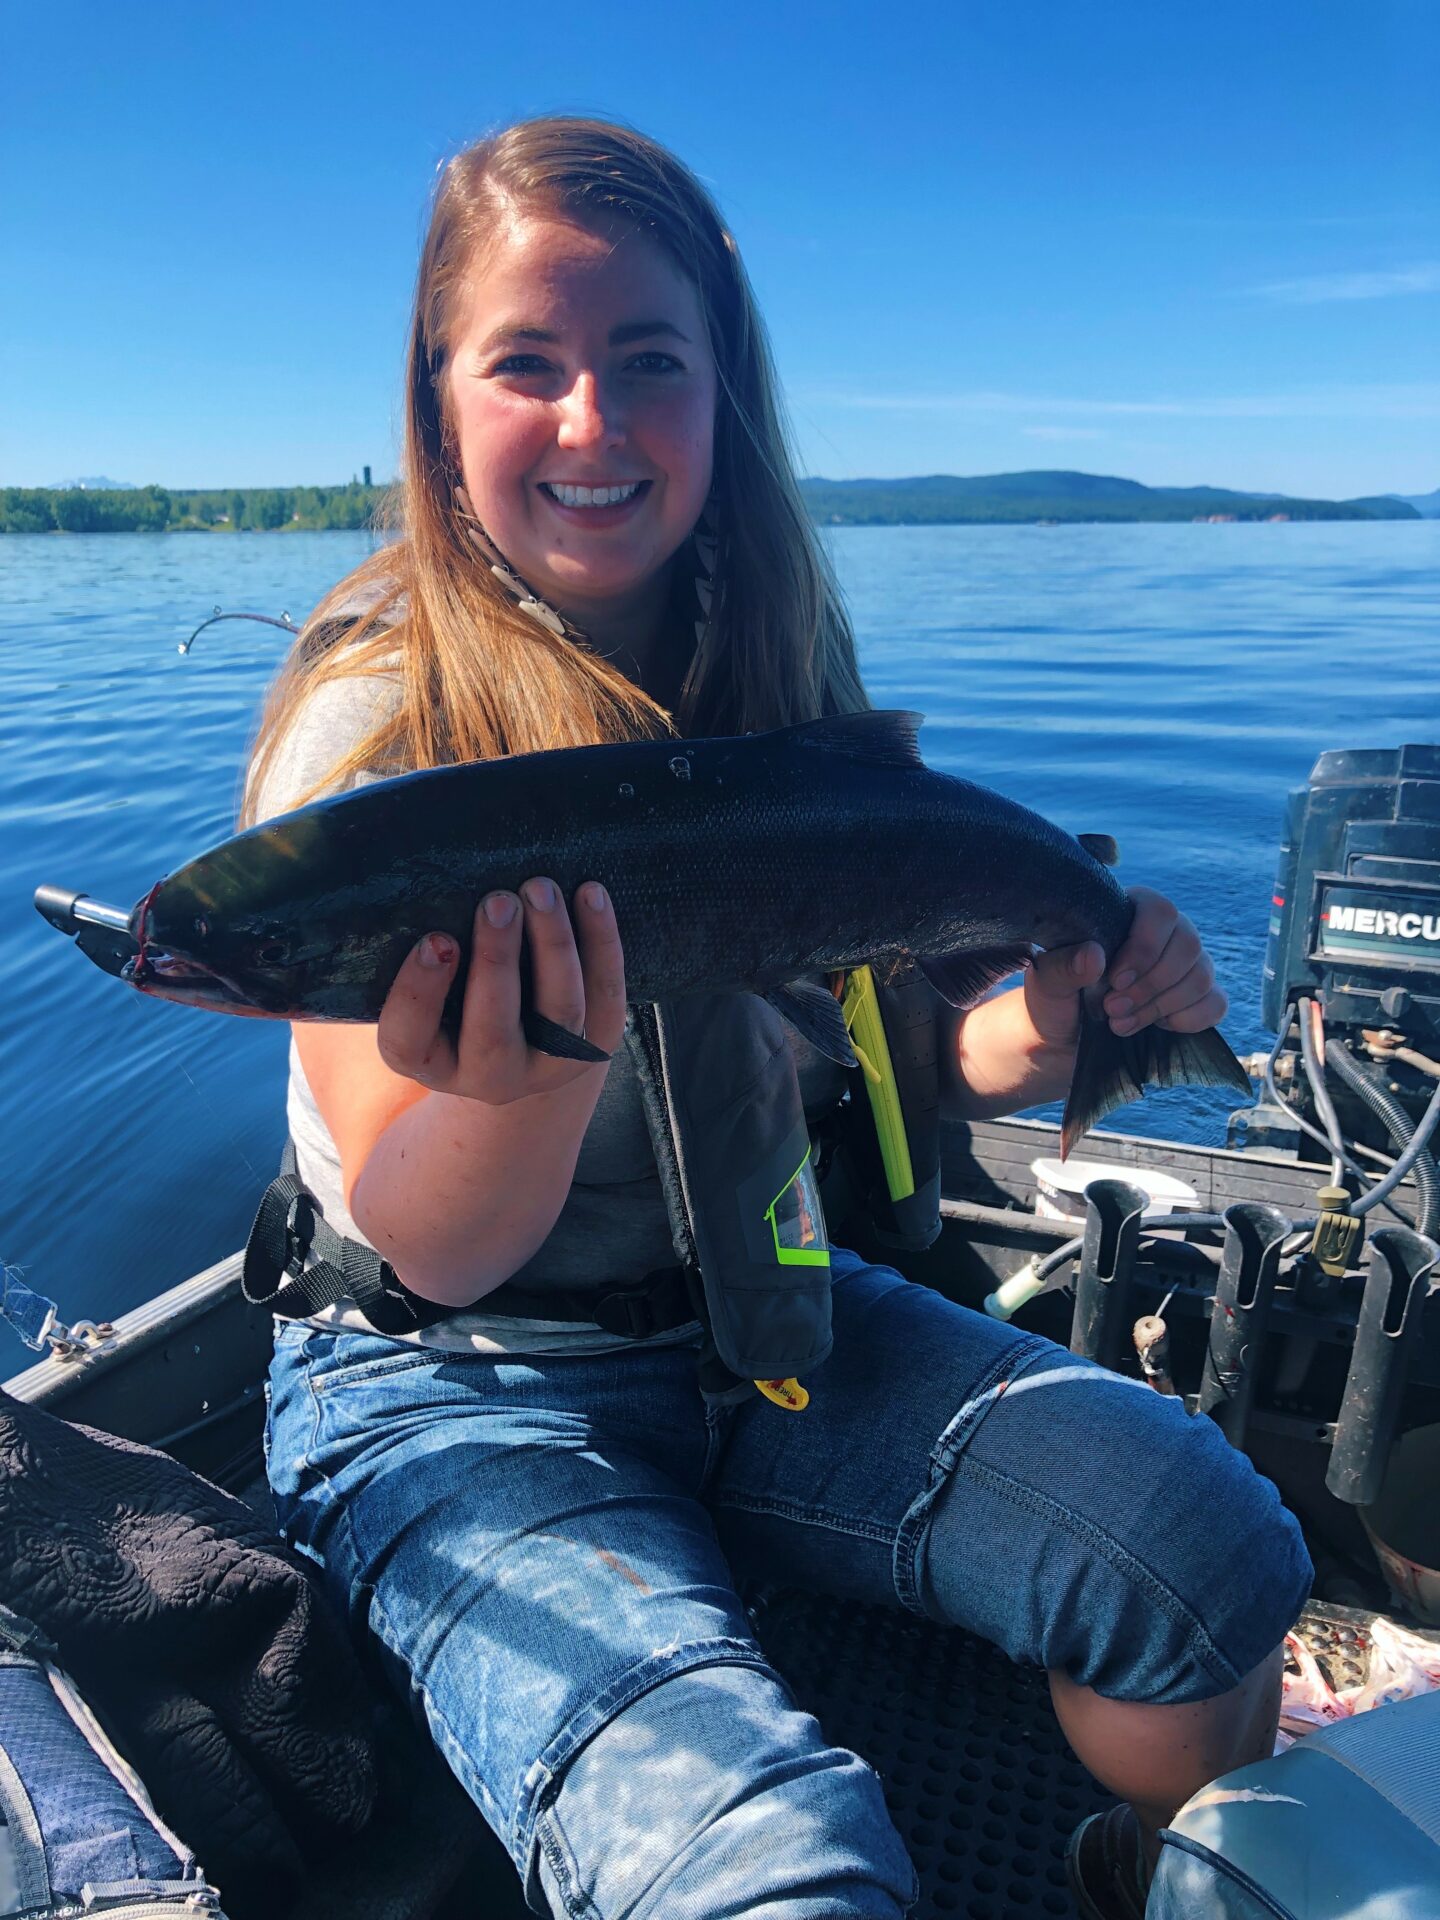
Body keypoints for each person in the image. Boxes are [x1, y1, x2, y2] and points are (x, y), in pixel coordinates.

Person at [254, 117, 1311, 1920]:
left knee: (1221, 1560)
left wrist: (1067, 1026)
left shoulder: (780, 699)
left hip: (772, 1327)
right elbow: (429, 1245)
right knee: (776, 1877)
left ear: (723, 397)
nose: (591, 422)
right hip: (451, 1389)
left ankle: (1138, 1875)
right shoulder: (377, 746)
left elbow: (907, 1070)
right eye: (527, 365)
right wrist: (518, 1088)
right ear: (437, 404)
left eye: (648, 363)